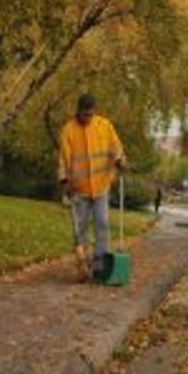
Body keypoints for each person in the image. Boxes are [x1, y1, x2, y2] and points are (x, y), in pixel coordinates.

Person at [57, 93, 125, 278]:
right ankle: (83, 264)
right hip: (79, 189)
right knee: (80, 228)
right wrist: (65, 181)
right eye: (84, 114)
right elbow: (64, 159)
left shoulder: (104, 126)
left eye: (90, 114)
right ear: (78, 111)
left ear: (94, 112)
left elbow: (116, 147)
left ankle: (100, 266)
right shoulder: (68, 130)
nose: (87, 118)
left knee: (102, 224)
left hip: (101, 186)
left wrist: (119, 160)